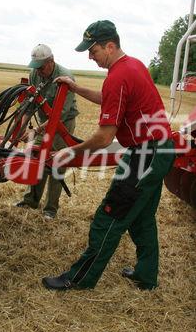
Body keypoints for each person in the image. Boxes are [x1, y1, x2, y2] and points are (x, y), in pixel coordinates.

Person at [42, 20, 176, 290]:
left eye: (93, 51)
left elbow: (103, 139)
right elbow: (110, 99)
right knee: (141, 218)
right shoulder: (133, 65)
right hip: (159, 149)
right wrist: (77, 87)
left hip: (146, 155)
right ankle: (145, 276)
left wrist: (68, 152)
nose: (90, 57)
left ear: (110, 45)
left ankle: (78, 279)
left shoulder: (118, 75)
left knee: (110, 216)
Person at [15, 43, 79, 220]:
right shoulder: (34, 73)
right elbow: (31, 103)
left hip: (63, 124)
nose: (39, 71)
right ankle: (31, 200)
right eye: (36, 67)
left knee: (56, 161)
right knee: (37, 157)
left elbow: (61, 114)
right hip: (44, 121)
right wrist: (21, 127)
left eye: (41, 67)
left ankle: (51, 208)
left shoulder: (66, 78)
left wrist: (35, 129)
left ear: (51, 61)